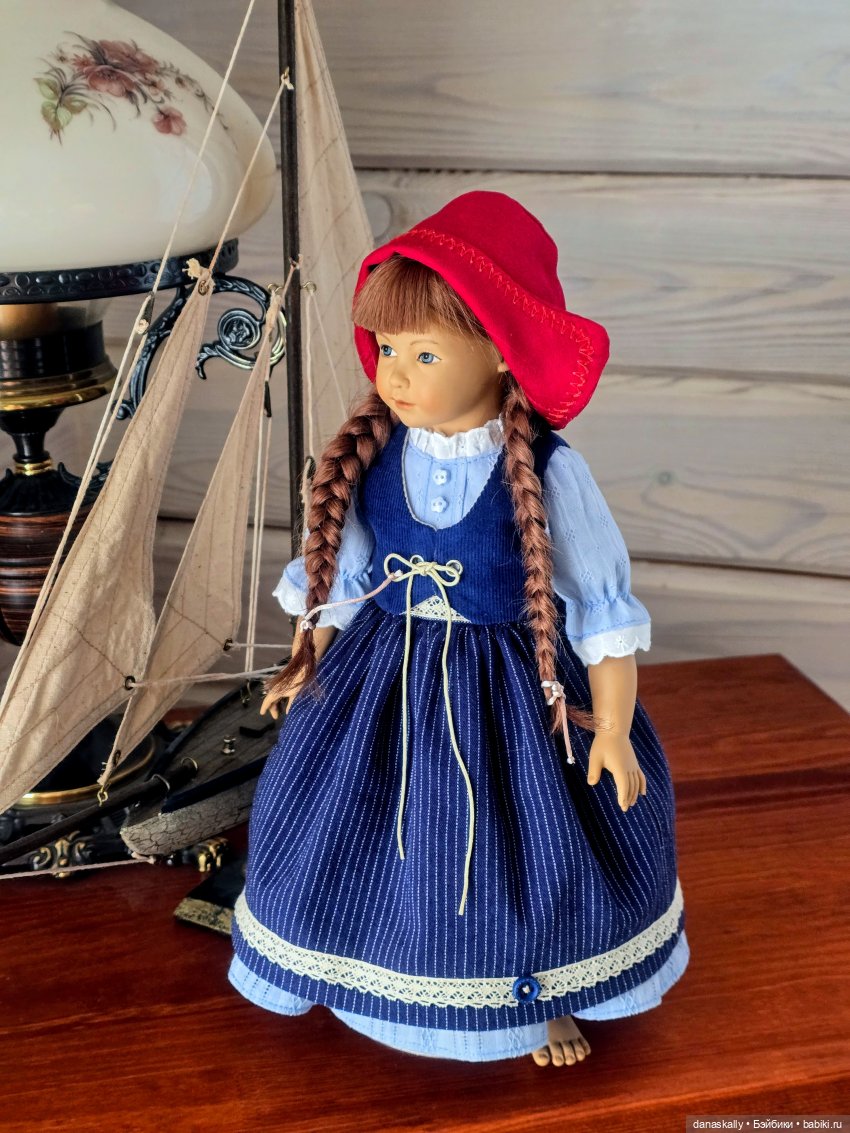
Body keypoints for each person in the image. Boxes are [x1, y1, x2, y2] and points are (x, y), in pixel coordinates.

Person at [228, 190, 689, 1066]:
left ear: (498, 350)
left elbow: (603, 609)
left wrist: (615, 727)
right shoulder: (374, 455)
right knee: (357, 827)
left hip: (513, 688)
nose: (395, 374)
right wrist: (305, 659)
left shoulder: (548, 470)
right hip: (382, 675)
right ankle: (364, 971)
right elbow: (341, 579)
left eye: (425, 353)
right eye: (387, 349)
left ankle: (540, 994)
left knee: (520, 850)